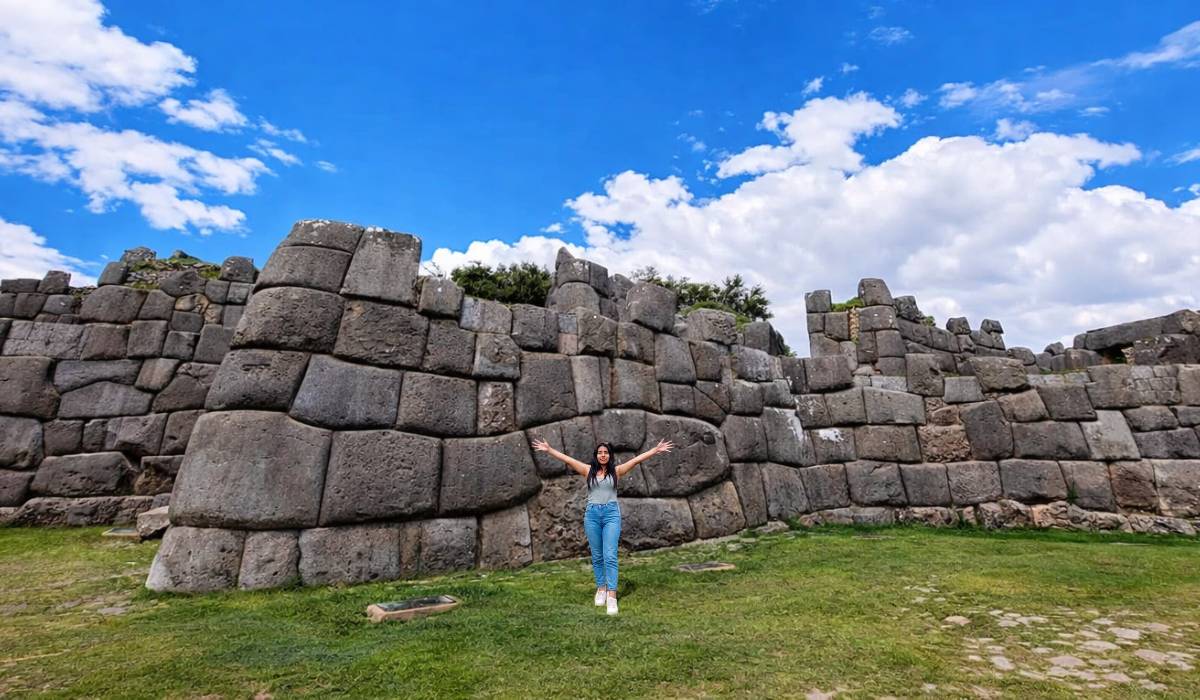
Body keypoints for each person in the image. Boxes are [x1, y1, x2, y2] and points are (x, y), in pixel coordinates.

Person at [531, 436, 675, 616]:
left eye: (606, 452)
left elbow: (636, 460)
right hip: (591, 516)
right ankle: (601, 588)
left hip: (611, 515)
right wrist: (549, 449)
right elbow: (568, 460)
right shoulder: (588, 471)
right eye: (600, 452)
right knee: (597, 556)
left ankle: (612, 595)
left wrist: (655, 450)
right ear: (596, 455)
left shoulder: (617, 471)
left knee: (610, 555)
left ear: (610, 455)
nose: (603, 455)